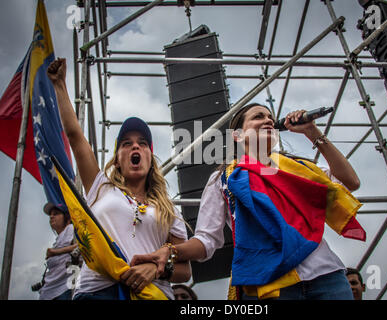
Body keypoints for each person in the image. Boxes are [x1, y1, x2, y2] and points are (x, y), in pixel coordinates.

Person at [132, 102, 365, 300]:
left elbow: (351, 181)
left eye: (270, 117)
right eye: (258, 117)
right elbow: (206, 239)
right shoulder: (224, 178)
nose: (268, 120)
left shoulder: (299, 168)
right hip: (270, 284)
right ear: (238, 135)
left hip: (327, 276)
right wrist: (171, 251)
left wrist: (312, 131)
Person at [47, 57, 191, 300]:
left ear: (149, 157)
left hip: (151, 294)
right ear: (117, 159)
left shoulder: (168, 210)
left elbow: (184, 271)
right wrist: (59, 85)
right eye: (127, 144)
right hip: (96, 292)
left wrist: (154, 270)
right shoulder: (100, 186)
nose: (135, 147)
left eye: (142, 143)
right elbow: (75, 136)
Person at [37, 202, 78, 300]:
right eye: (50, 215)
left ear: (67, 219)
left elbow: (82, 246)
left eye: (56, 214)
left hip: (64, 290)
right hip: (49, 292)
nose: (51, 217)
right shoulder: (58, 240)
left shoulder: (70, 229)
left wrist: (55, 252)